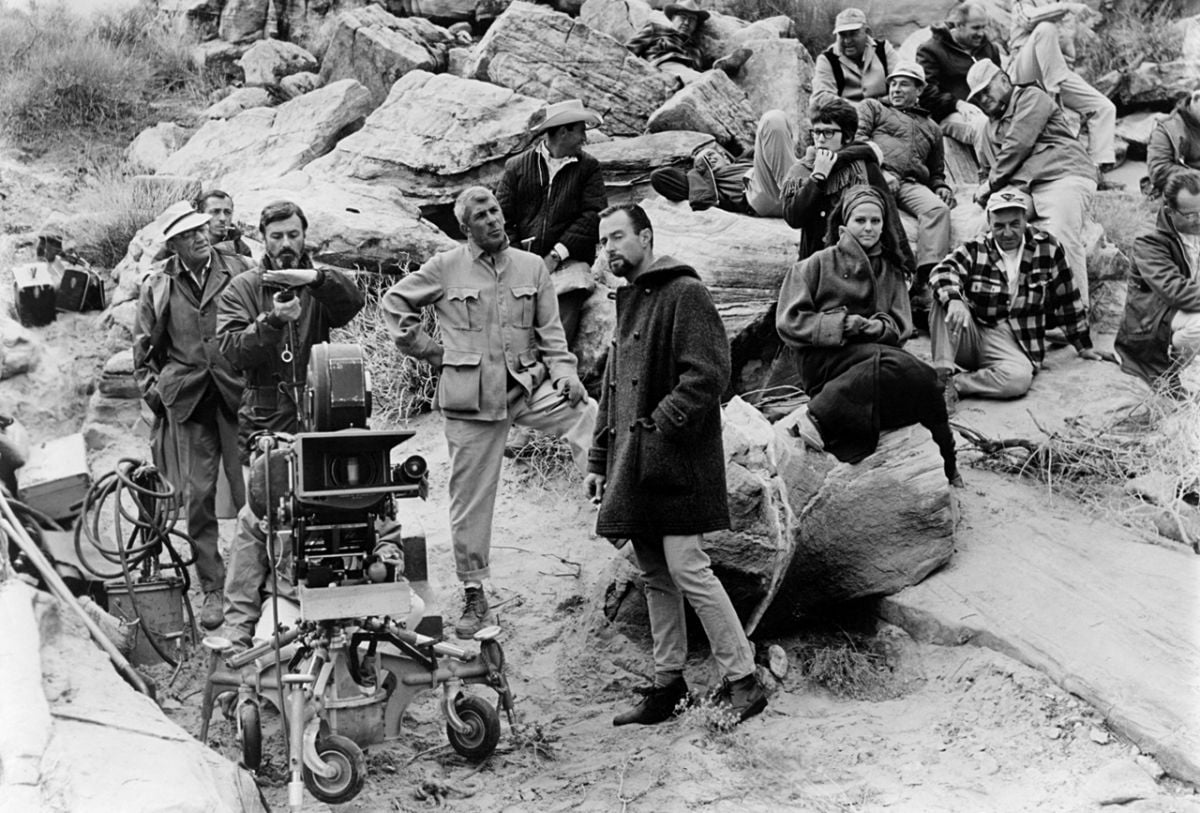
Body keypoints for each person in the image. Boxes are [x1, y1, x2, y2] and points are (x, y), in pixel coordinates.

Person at [381, 187, 596, 639]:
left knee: (587, 416)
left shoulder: (532, 267)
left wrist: (565, 374)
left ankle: (611, 506)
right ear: (466, 227)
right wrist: (431, 351)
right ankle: (475, 591)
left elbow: (552, 336)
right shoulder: (445, 267)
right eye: (482, 216)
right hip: (471, 399)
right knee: (470, 499)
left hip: (525, 387)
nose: (494, 221)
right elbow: (395, 303)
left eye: (496, 211)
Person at [586, 202, 767, 727]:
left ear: (645, 236)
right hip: (635, 462)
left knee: (688, 566)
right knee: (655, 573)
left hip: (678, 459)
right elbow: (611, 390)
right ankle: (668, 685)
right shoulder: (628, 302)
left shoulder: (684, 292)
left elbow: (710, 373)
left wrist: (661, 426)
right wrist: (600, 457)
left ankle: (744, 679)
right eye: (603, 242)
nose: (609, 249)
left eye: (618, 237)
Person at [216, 200, 366, 647]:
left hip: (321, 419)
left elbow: (353, 301)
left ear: (305, 237)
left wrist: (316, 279)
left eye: (293, 235)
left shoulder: (317, 285)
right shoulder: (241, 288)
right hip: (266, 421)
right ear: (262, 238)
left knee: (330, 513)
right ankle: (243, 626)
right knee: (261, 519)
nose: (286, 244)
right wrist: (271, 321)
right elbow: (231, 351)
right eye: (277, 236)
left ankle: (329, 603)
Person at [775, 186, 962, 485]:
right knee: (893, 364)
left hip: (875, 356)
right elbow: (789, 322)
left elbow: (901, 326)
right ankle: (818, 417)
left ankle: (948, 462)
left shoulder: (891, 270)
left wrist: (875, 327)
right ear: (845, 223)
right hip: (825, 362)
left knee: (927, 380)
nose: (869, 228)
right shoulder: (815, 264)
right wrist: (844, 325)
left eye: (876, 221)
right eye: (860, 220)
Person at [132, 207, 254, 630]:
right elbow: (143, 349)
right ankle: (213, 588)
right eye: (189, 234)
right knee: (197, 498)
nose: (201, 237)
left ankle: (259, 582)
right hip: (189, 401)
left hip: (238, 396)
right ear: (175, 245)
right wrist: (159, 395)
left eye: (202, 229)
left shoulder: (239, 268)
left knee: (251, 496)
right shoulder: (159, 285)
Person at [928, 186, 1115, 404]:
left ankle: (959, 384)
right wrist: (954, 300)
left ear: (1025, 219)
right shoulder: (976, 248)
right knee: (942, 298)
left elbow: (1068, 298)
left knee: (1017, 381)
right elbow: (942, 271)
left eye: (1014, 224)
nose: (1007, 233)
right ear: (989, 223)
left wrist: (1084, 346)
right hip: (973, 331)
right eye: (999, 226)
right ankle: (943, 378)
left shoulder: (1048, 247)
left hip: (1015, 337)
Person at [967, 58, 1098, 309]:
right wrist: (987, 190)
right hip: (1021, 189)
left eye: (986, 92)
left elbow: (1019, 143)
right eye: (976, 99)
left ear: (1004, 80)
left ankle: (1074, 313)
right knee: (987, 228)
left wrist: (991, 185)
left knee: (1059, 233)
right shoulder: (987, 128)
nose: (983, 100)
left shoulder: (1030, 96)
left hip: (1063, 175)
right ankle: (996, 306)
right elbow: (985, 170)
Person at [496, 99, 607, 348]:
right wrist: (519, 259)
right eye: (581, 131)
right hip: (521, 262)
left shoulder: (588, 168)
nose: (585, 139)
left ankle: (556, 373)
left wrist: (556, 255)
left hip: (569, 261)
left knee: (566, 305)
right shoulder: (517, 167)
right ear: (564, 131)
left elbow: (593, 215)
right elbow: (501, 219)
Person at [855, 60, 955, 313]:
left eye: (904, 84)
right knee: (880, 220)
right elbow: (856, 140)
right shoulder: (874, 107)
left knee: (937, 210)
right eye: (893, 84)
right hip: (874, 175)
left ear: (919, 90)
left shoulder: (932, 128)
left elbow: (937, 171)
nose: (896, 89)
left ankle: (926, 281)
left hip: (910, 184)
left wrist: (941, 186)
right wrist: (881, 170)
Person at [780, 96, 911, 267]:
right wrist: (818, 177)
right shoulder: (803, 169)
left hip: (858, 265)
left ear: (847, 137)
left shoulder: (864, 166)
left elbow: (890, 218)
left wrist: (906, 265)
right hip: (815, 266)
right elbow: (793, 218)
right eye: (816, 132)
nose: (820, 139)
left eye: (828, 132)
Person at [1007, 0, 1117, 175]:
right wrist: (1065, 8)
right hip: (1025, 69)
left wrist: (1089, 22)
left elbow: (1070, 45)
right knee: (1046, 28)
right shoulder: (1025, 2)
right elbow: (1026, 18)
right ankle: (1051, 103)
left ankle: (1096, 169)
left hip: (1057, 71)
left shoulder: (1061, 3)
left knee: (1104, 107)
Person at [1115, 171, 1200, 393]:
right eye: (1191, 215)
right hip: (1151, 324)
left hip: (1181, 314)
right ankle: (1169, 370)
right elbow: (1176, 291)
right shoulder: (1150, 242)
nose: (1199, 219)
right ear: (1170, 212)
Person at [648, 110, 802, 218]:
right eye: (702, 162)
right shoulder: (709, 185)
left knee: (780, 120)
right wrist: (699, 172)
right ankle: (795, 194)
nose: (708, 160)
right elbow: (659, 177)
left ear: (725, 157)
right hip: (757, 194)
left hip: (776, 178)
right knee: (772, 119)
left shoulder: (743, 160)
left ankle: (805, 190)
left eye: (710, 155)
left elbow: (773, 146)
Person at [915, 0, 1000, 145]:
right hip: (951, 114)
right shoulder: (931, 50)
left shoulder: (989, 48)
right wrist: (957, 104)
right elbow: (926, 94)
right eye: (976, 28)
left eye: (984, 27)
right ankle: (993, 168)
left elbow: (1000, 81)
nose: (981, 33)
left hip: (988, 108)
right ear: (959, 26)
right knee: (982, 125)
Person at [625, 0, 750, 83]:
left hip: (688, 75)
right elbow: (627, 51)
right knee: (703, 82)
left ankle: (720, 69)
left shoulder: (695, 49)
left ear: (696, 25)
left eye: (692, 20)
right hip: (665, 67)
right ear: (673, 18)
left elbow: (696, 70)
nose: (686, 23)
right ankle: (718, 73)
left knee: (706, 80)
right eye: (683, 17)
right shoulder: (655, 30)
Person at [810, 7, 899, 108]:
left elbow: (902, 81)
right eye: (842, 35)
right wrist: (864, 109)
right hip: (846, 117)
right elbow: (822, 97)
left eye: (853, 34)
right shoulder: (827, 60)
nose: (847, 41)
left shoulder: (883, 50)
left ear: (867, 32)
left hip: (886, 115)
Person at [1147, 89, 1200, 199]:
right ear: (1195, 99)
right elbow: (1159, 170)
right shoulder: (1166, 130)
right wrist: (1196, 176)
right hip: (1186, 190)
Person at [196, 189, 252, 257]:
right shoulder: (187, 244)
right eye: (215, 212)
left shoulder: (240, 249)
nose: (223, 218)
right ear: (200, 214)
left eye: (227, 212)